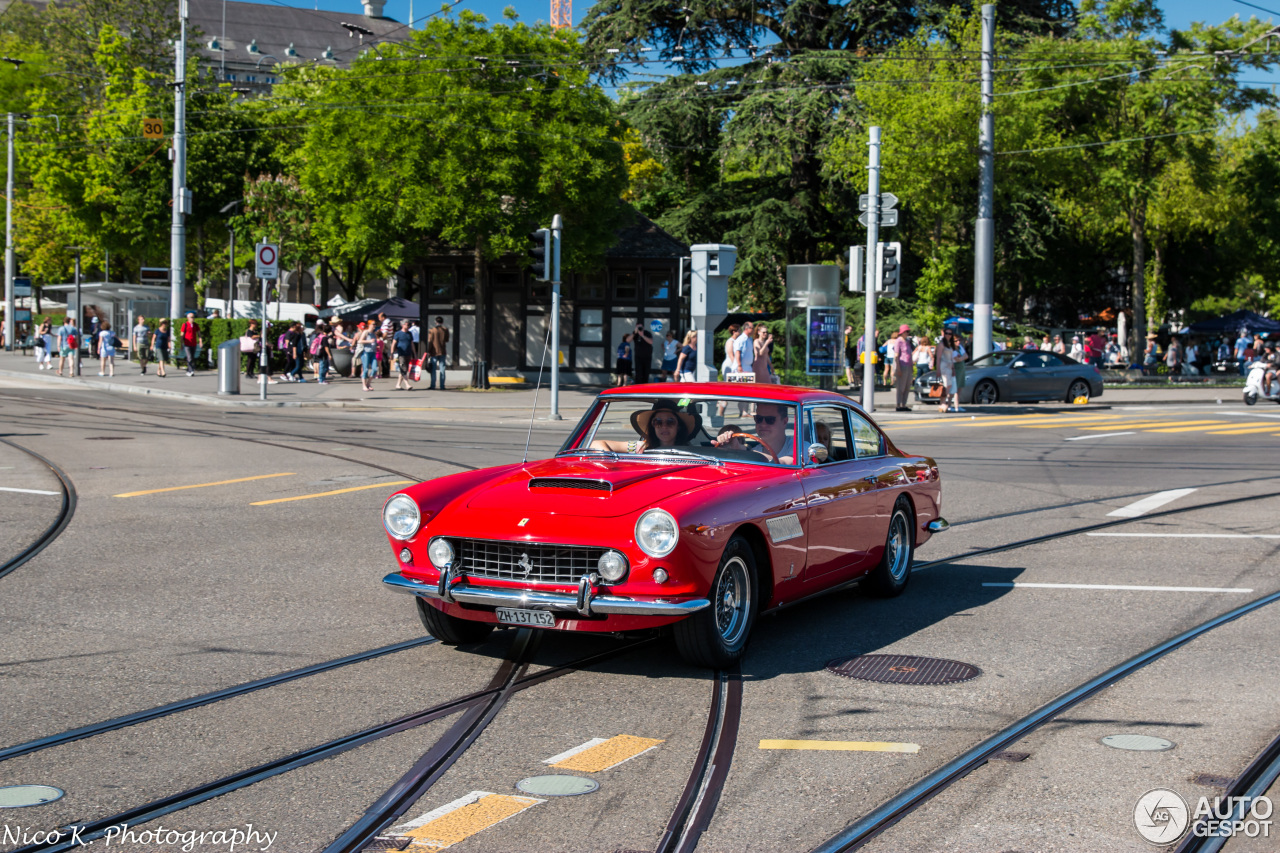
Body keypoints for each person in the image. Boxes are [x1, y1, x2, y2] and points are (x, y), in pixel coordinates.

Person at [590, 399, 698, 453]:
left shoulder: (690, 452)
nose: (664, 426)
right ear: (653, 426)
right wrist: (612, 466)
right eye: (658, 422)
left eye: (670, 422)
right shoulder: (642, 447)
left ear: (678, 426)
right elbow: (597, 444)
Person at [713, 401, 794, 463]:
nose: (763, 424)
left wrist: (743, 451)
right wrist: (725, 451)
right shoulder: (755, 450)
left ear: (784, 422)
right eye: (758, 419)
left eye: (770, 420)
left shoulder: (799, 447)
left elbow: (784, 463)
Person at [935, 331, 957, 413]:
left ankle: (945, 403)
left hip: (950, 366)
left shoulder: (950, 344)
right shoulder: (941, 344)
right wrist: (938, 370)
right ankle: (942, 403)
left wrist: (953, 369)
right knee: (946, 385)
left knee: (949, 385)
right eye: (947, 333)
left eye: (950, 334)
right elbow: (938, 357)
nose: (948, 335)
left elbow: (951, 358)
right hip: (943, 366)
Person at [892, 323, 913, 411]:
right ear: (902, 332)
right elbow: (896, 356)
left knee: (907, 386)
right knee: (901, 386)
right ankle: (898, 404)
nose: (907, 333)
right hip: (902, 365)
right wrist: (898, 369)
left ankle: (904, 404)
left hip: (909, 365)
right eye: (906, 331)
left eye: (908, 331)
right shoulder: (898, 341)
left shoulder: (907, 341)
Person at [426, 316, 449, 390]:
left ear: (436, 322)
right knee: (442, 369)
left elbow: (430, 342)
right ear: (442, 322)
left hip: (434, 352)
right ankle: (442, 385)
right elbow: (447, 340)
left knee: (433, 369)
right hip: (442, 351)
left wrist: (428, 351)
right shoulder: (445, 330)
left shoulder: (432, 330)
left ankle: (433, 385)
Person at [353, 322, 377, 392]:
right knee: (365, 369)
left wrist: (377, 345)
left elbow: (374, 342)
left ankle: (368, 383)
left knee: (375, 369)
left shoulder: (374, 333)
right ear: (369, 325)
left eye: (375, 324)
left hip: (373, 352)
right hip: (366, 352)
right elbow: (360, 341)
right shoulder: (366, 332)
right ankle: (364, 385)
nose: (374, 326)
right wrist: (369, 341)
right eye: (373, 324)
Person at [393, 320, 415, 390]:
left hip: (408, 353)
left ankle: (398, 385)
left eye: (409, 325)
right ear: (402, 325)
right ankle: (407, 384)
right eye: (406, 324)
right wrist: (391, 353)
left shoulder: (409, 333)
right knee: (403, 369)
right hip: (401, 354)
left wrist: (414, 353)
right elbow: (393, 343)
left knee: (404, 370)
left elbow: (412, 344)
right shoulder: (398, 333)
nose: (408, 326)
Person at [178, 312, 201, 376]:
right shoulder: (185, 325)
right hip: (187, 344)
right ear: (188, 318)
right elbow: (182, 335)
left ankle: (189, 370)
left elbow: (199, 334)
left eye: (193, 317)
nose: (193, 318)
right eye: (191, 317)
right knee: (189, 357)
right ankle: (191, 370)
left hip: (194, 344)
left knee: (192, 357)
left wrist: (200, 341)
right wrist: (181, 344)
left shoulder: (196, 325)